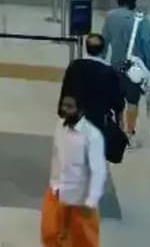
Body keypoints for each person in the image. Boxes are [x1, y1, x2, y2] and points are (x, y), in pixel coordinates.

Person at [39, 94, 107, 247]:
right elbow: (56, 157)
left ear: (81, 110)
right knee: (50, 236)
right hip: (56, 195)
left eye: (70, 107)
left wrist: (91, 202)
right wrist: (54, 184)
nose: (65, 109)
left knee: (83, 242)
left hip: (79, 203)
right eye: (64, 105)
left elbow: (98, 172)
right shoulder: (59, 126)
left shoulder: (92, 136)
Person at [102, 0, 150, 146]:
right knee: (133, 102)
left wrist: (102, 61)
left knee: (117, 102)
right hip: (135, 70)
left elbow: (104, 40)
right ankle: (129, 133)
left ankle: (118, 130)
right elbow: (147, 46)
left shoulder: (111, 17)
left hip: (116, 65)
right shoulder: (142, 20)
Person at [59, 33, 126, 151]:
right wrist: (119, 120)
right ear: (103, 49)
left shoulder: (75, 66)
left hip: (76, 119)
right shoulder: (109, 72)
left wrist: (62, 113)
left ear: (86, 47)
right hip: (98, 121)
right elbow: (117, 101)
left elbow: (66, 90)